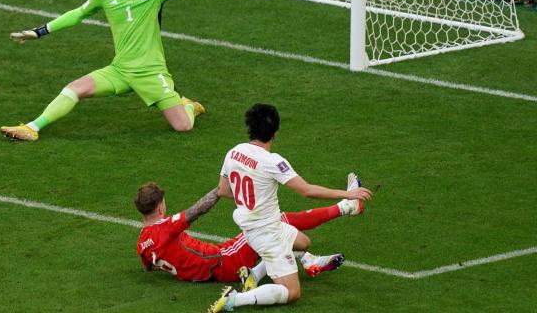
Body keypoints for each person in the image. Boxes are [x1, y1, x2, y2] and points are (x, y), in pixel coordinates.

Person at [0, 0, 253, 141]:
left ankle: (188, 106)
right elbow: (77, 14)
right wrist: (40, 31)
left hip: (152, 72)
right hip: (120, 70)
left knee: (183, 127)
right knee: (74, 88)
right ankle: (32, 128)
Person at [209, 104, 373, 311]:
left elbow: (223, 190)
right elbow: (306, 191)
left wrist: (249, 197)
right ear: (276, 132)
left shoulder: (233, 152)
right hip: (268, 233)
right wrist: (347, 193)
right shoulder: (272, 161)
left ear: (250, 127)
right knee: (292, 292)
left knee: (302, 242)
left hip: (255, 228)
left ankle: (254, 274)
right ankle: (235, 300)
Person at [134, 178, 364, 286]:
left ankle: (308, 260)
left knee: (270, 233)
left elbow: (147, 266)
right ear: (160, 207)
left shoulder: (143, 242)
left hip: (209, 269)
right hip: (224, 261)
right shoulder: (165, 227)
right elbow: (195, 211)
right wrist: (219, 190)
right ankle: (346, 206)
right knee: (276, 221)